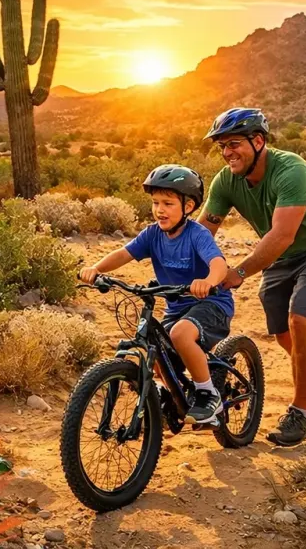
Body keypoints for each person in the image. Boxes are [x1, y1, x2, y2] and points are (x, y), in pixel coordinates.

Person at [198, 108, 306, 446]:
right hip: (280, 259)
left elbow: (282, 235)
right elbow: (204, 231)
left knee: (301, 321)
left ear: (258, 141)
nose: (228, 152)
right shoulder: (226, 180)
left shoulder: (292, 171)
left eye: (234, 143)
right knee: (284, 336)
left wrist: (239, 272)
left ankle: (300, 415)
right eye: (222, 147)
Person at [80, 165, 231, 425]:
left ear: (189, 206)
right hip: (177, 308)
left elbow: (218, 263)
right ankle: (169, 393)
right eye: (155, 203)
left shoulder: (197, 234)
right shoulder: (152, 234)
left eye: (168, 203)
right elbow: (124, 254)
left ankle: (208, 394)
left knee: (179, 334)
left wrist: (208, 281)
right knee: (156, 347)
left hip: (211, 304)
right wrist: (96, 269)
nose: (160, 210)